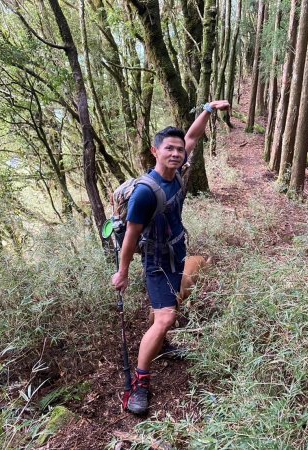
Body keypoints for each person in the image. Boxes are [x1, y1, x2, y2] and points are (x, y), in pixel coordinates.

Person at [111, 100, 231, 415]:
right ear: (155, 152)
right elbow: (132, 236)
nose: (176, 153)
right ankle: (140, 383)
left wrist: (207, 109)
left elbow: (192, 137)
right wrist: (122, 272)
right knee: (166, 317)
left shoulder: (176, 173)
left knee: (167, 308)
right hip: (156, 261)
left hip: (177, 252)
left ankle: (161, 345)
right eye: (169, 149)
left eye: (179, 150)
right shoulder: (146, 193)